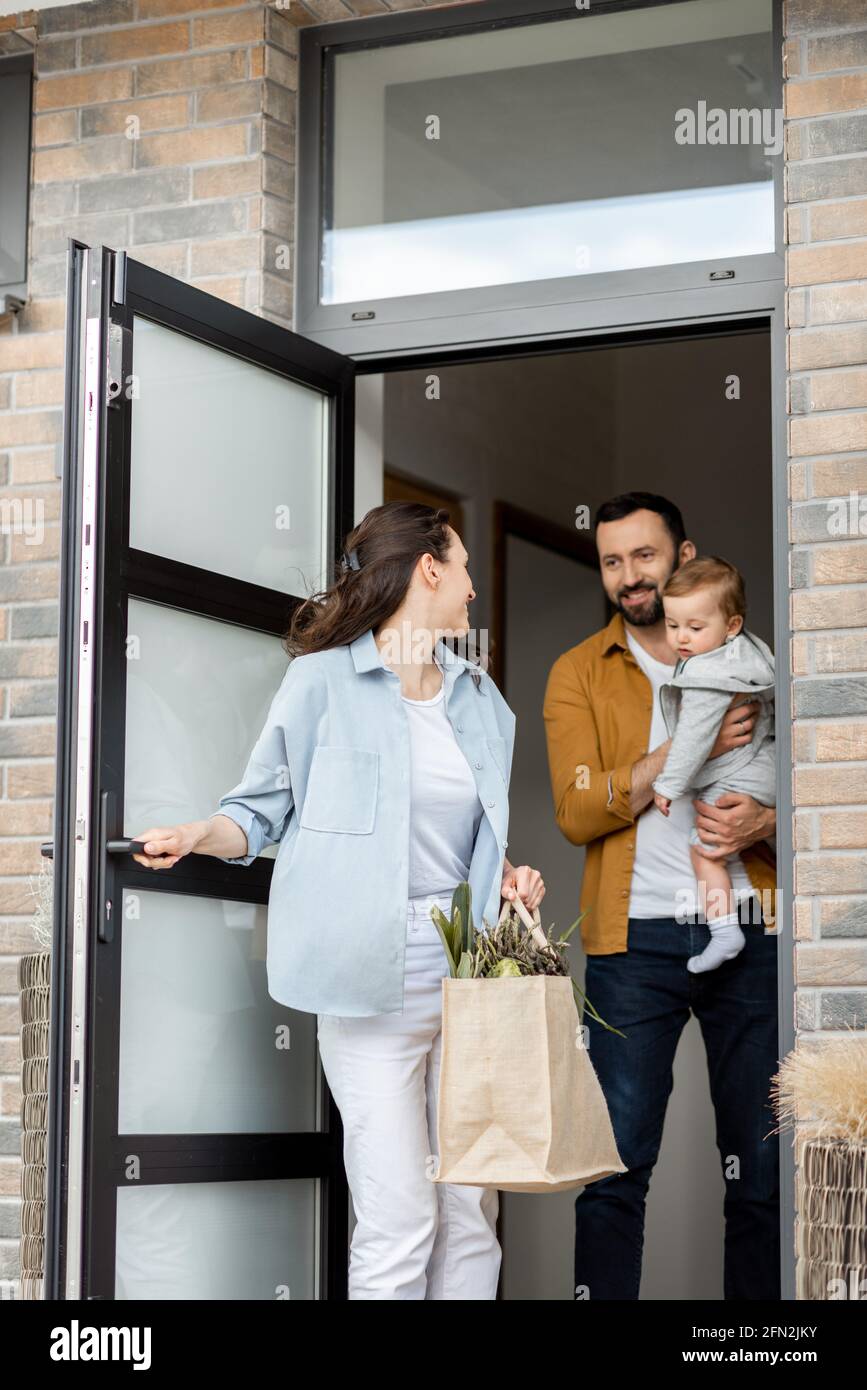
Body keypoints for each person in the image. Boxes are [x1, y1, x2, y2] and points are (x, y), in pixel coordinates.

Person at [131, 500, 545, 1300]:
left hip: (469, 977)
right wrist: (198, 832)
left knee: (469, 1211)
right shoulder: (319, 683)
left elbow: (469, 842)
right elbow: (258, 813)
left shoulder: (481, 701)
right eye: (461, 569)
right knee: (398, 1217)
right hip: (363, 986)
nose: (469, 589)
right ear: (430, 567)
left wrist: (509, 879)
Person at [543, 491, 780, 1301]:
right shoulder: (578, 671)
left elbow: (820, 786)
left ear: (682, 556)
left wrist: (767, 816)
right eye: (611, 561)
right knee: (612, 1171)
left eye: (643, 556)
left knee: (761, 1171)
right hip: (630, 945)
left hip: (747, 926)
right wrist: (688, 746)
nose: (627, 576)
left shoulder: (752, 657)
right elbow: (577, 811)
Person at [651, 556, 777, 973]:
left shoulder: (708, 676)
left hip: (746, 771)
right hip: (767, 764)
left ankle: (724, 932)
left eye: (695, 627)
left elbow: (693, 740)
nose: (681, 638)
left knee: (705, 853)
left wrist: (667, 786)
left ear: (732, 625)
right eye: (672, 626)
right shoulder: (746, 652)